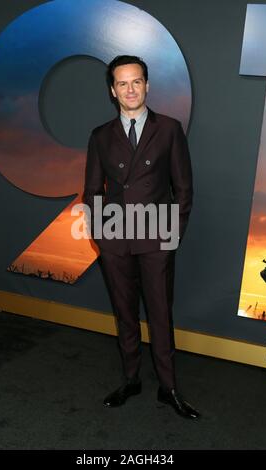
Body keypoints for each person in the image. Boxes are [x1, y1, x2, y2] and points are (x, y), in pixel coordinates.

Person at [83, 55, 200, 419]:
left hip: (156, 236)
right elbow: (91, 192)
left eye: (136, 82)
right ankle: (131, 379)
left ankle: (169, 388)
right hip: (116, 237)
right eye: (122, 83)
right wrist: (102, 235)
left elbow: (183, 188)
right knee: (125, 313)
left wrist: (171, 235)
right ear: (112, 91)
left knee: (161, 314)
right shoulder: (101, 136)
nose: (130, 89)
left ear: (147, 85)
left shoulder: (169, 128)